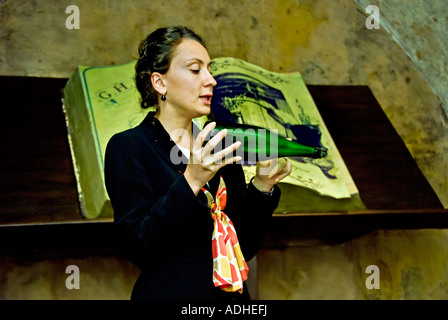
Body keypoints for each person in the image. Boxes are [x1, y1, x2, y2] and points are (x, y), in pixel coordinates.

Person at [104, 25, 292, 300]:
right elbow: (139, 245)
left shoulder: (219, 143)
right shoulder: (129, 147)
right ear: (160, 83)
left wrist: (262, 186)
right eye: (195, 70)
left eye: (209, 69)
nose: (211, 80)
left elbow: (243, 247)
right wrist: (191, 180)